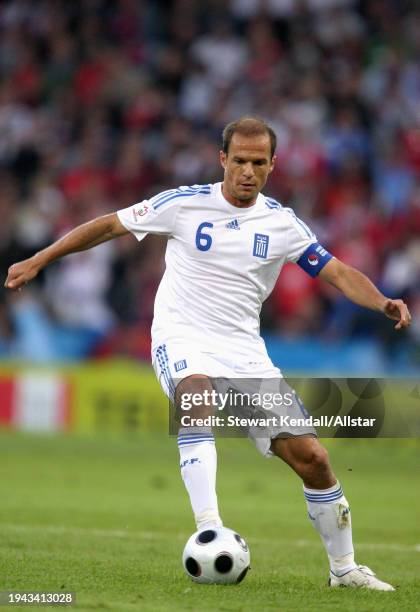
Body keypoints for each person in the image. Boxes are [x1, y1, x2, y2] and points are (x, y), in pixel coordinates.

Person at [5, 117, 410, 590]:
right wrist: (39, 258)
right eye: (239, 160)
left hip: (244, 353)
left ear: (273, 165)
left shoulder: (281, 223)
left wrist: (381, 300)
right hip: (181, 337)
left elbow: (337, 273)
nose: (247, 171)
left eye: (258, 163)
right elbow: (110, 226)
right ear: (223, 159)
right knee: (195, 397)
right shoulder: (183, 204)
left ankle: (345, 570)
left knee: (313, 459)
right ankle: (209, 527)